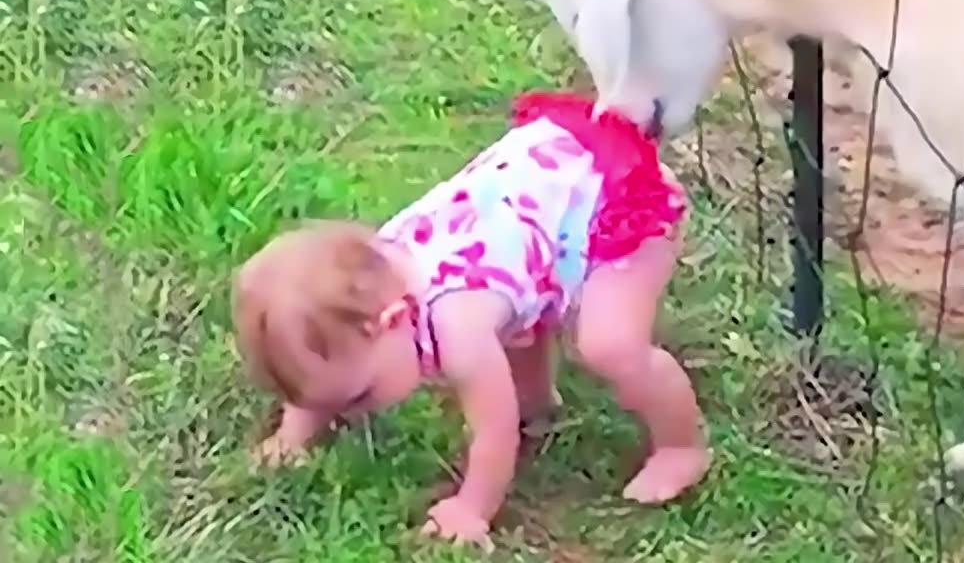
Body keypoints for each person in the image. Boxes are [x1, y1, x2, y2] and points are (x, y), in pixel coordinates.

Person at [231, 90, 711, 547]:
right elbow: (324, 360)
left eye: (361, 397)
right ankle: (537, 399)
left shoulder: (457, 325)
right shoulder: (363, 286)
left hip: (613, 198)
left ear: (393, 320)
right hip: (548, 186)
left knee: (610, 344)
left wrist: (472, 508)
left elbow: (493, 430)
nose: (357, 413)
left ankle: (680, 446)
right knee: (513, 309)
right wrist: (292, 435)